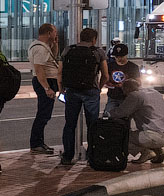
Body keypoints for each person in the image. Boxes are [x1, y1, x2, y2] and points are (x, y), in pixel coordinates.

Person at [58, 27, 107, 165]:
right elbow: (105, 75)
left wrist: (61, 89)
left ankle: (68, 156)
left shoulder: (68, 50)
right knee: (92, 124)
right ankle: (92, 155)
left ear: (80, 38)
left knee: (70, 124)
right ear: (94, 39)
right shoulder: (98, 52)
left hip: (72, 91)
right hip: (91, 91)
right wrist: (99, 88)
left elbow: (59, 72)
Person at [108, 78, 164, 164]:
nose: (124, 94)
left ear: (127, 89)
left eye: (124, 90)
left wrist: (108, 114)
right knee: (146, 132)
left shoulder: (135, 95)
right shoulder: (154, 92)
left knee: (121, 136)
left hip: (153, 136)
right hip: (161, 133)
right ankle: (158, 152)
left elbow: (121, 112)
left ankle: (146, 152)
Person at [27, 23, 63, 154]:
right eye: (54, 32)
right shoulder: (40, 48)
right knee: (43, 114)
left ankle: (39, 142)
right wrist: (47, 88)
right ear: (48, 33)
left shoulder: (44, 46)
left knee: (44, 114)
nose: (56, 34)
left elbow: (52, 58)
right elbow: (39, 69)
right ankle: (36, 143)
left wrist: (55, 44)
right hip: (45, 82)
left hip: (47, 81)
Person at [104, 43, 140, 117]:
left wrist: (128, 85)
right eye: (116, 56)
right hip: (113, 96)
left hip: (127, 97)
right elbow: (106, 79)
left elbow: (138, 82)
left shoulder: (133, 67)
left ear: (126, 55)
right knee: (108, 116)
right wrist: (107, 84)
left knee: (125, 118)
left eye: (121, 56)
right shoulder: (110, 66)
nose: (118, 59)